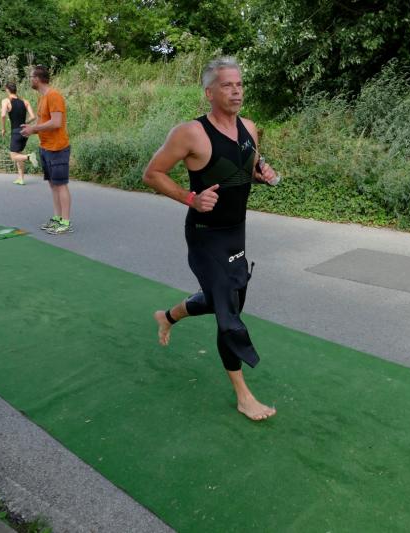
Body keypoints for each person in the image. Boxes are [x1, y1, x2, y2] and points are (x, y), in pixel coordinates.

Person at [143, 57, 278, 421]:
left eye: (239, 84)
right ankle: (244, 396)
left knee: (227, 300)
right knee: (228, 314)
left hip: (236, 232)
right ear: (209, 92)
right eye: (227, 85)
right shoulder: (190, 133)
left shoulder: (250, 128)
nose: (236, 91)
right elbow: (152, 174)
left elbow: (244, 168)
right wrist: (191, 198)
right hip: (205, 236)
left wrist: (261, 174)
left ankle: (167, 316)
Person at [20, 65, 73, 235]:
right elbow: (43, 123)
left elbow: (56, 122)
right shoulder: (42, 98)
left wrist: (34, 129)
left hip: (58, 148)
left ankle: (65, 222)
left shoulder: (53, 95)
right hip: (46, 147)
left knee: (61, 185)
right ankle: (57, 218)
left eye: (31, 77)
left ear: (37, 79)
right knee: (53, 185)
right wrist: (30, 129)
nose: (29, 80)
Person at [0, 82, 38, 185]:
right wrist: (25, 123)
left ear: (7, 90)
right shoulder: (25, 101)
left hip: (16, 132)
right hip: (25, 131)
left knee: (13, 156)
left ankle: (29, 157)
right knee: (19, 153)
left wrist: (3, 129)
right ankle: (21, 179)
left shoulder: (6, 101)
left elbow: (3, 115)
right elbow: (33, 117)